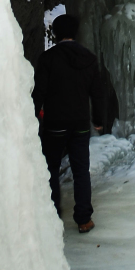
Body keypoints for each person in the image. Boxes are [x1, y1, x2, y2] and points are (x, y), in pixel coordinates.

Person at [32, 13, 103, 233]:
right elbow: (97, 93)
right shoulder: (88, 58)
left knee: (51, 168)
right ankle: (83, 219)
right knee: (81, 170)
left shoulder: (48, 59)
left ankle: (52, 214)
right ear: (75, 32)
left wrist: (33, 118)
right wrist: (99, 120)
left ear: (55, 34)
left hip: (55, 123)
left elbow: (39, 92)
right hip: (80, 123)